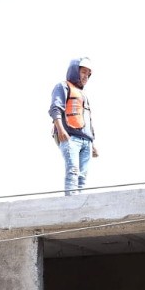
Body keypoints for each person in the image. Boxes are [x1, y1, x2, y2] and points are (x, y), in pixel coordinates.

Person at [48, 57, 98, 195]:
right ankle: (71, 203)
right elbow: (55, 108)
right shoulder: (63, 86)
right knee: (73, 172)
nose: (86, 76)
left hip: (86, 141)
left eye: (88, 73)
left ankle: (81, 204)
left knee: (82, 177)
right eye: (83, 72)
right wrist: (60, 129)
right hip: (71, 138)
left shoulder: (83, 95)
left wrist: (92, 143)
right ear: (75, 71)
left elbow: (87, 119)